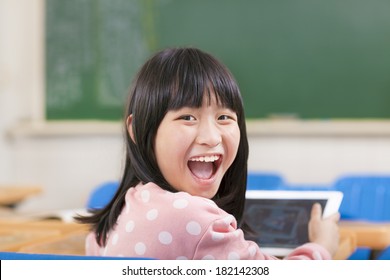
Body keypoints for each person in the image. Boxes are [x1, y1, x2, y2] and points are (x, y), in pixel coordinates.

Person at [77, 47, 340, 260]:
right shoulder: (193, 219)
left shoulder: (124, 207)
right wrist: (322, 246)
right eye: (188, 117)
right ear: (138, 129)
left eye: (224, 117)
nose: (212, 137)